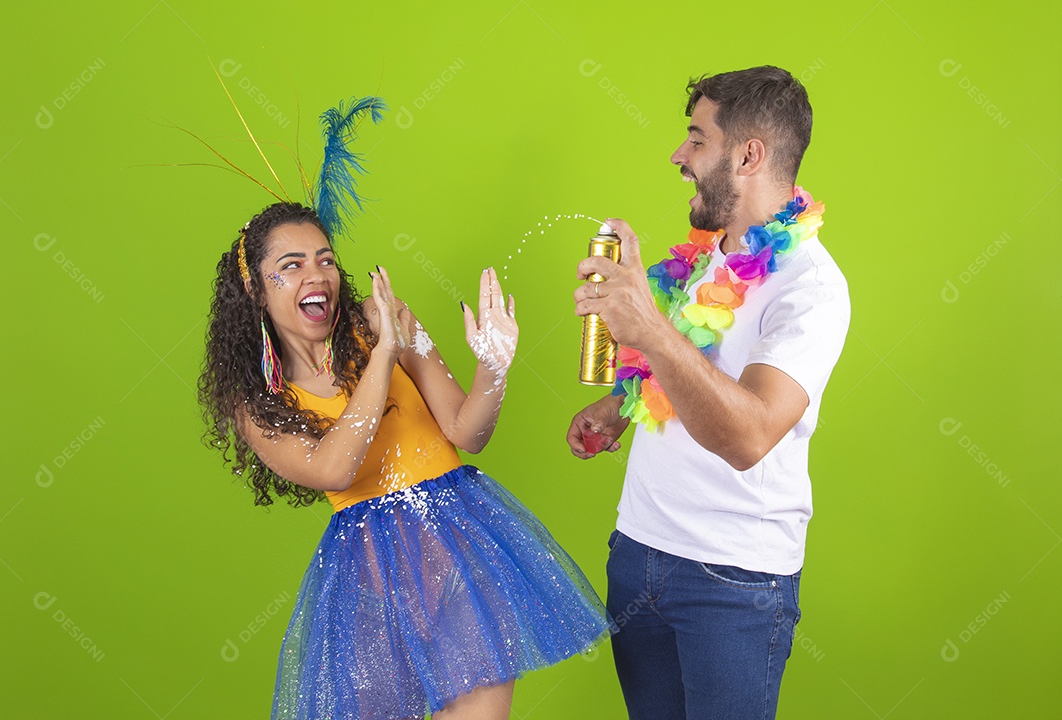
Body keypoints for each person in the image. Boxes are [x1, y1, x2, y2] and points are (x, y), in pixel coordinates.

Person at [199, 201, 610, 720]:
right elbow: (333, 469)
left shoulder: (386, 319)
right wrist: (383, 356)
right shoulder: (258, 407)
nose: (316, 275)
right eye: (291, 265)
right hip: (371, 591)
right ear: (257, 290)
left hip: (460, 562)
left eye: (325, 259)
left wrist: (493, 369)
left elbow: (467, 430)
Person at [567, 66, 851, 719]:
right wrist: (617, 408)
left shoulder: (810, 288)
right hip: (638, 552)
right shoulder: (703, 257)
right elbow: (679, 368)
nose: (679, 155)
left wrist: (648, 327)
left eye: (697, 137)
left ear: (748, 153)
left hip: (734, 581)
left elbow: (749, 435)